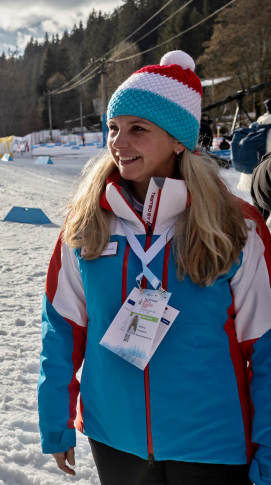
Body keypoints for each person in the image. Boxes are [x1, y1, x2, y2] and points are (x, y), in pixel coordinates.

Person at [38, 50, 271, 485]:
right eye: (113, 128)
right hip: (114, 440)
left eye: (137, 129)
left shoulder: (237, 226)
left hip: (214, 445)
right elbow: (62, 324)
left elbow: (267, 343)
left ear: (179, 138)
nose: (118, 143)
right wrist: (56, 418)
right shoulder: (88, 221)